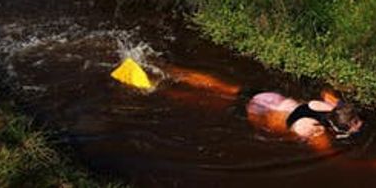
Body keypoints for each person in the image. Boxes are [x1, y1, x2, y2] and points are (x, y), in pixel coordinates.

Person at [111, 58, 363, 150]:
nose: (359, 124)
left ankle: (167, 69)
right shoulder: (315, 132)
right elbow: (331, 156)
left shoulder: (329, 106)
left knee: (219, 87)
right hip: (255, 110)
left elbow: (328, 93)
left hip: (267, 97)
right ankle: (156, 87)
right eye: (355, 123)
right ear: (339, 126)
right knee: (201, 101)